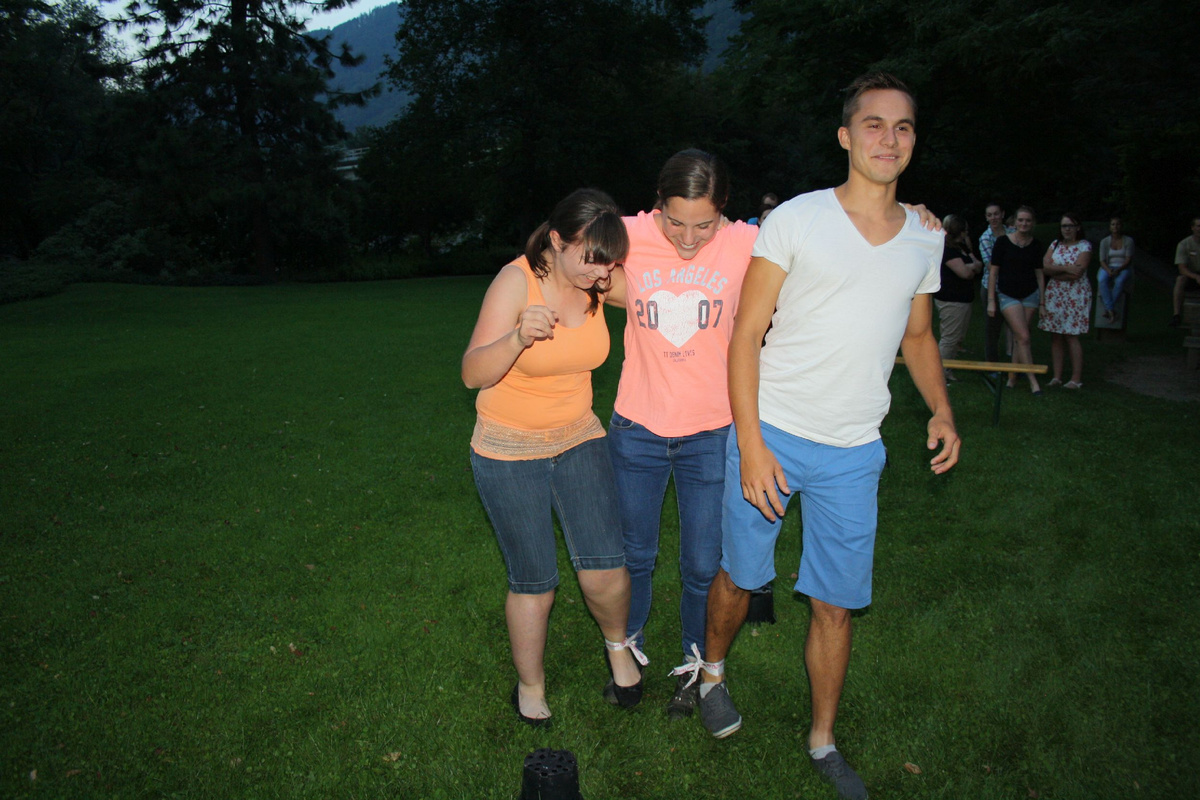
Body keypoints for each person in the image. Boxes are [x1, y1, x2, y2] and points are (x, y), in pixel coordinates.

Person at [694, 73, 960, 800]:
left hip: (854, 450)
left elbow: (917, 336)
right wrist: (751, 444)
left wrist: (940, 409)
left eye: (903, 127)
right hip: (774, 430)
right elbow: (745, 334)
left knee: (836, 603)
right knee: (741, 576)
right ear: (845, 136)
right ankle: (711, 673)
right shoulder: (797, 219)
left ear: (914, 141)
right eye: (873, 124)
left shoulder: (924, 237)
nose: (888, 139)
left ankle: (823, 739)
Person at [462, 188, 645, 729]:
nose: (603, 274)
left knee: (606, 569)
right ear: (558, 240)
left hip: (578, 437)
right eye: (592, 260)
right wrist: (517, 337)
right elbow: (472, 373)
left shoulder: (598, 280)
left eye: (610, 262)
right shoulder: (516, 281)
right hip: (508, 447)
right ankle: (531, 684)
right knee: (535, 581)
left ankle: (618, 648)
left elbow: (664, 290)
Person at [603, 150, 759, 720]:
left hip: (713, 431)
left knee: (701, 562)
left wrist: (906, 212)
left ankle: (697, 662)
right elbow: (557, 244)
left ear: (725, 211)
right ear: (656, 207)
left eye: (704, 225)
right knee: (634, 554)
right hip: (637, 427)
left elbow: (828, 237)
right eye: (675, 222)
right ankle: (628, 650)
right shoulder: (628, 234)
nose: (689, 239)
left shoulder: (747, 242)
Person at [987, 206, 1045, 394]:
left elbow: (1040, 274)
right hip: (1007, 294)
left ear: (1032, 223)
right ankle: (1033, 381)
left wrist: (1042, 302)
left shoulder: (1036, 245)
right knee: (1024, 337)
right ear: (1015, 222)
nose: (1024, 224)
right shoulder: (1003, 242)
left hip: (1030, 294)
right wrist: (991, 300)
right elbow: (993, 273)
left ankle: (1012, 377)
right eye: (1021, 220)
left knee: (1020, 338)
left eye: (1028, 220)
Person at [1038, 212, 1092, 388]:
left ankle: (1076, 379)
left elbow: (1077, 273)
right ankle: (1057, 377)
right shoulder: (1055, 244)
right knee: (1056, 335)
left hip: (1075, 294)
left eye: (1070, 225)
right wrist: (1067, 268)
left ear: (1078, 227)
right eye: (1064, 226)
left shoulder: (1084, 246)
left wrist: (1056, 271)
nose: (1067, 229)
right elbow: (1044, 267)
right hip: (1055, 294)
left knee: (1071, 335)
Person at [934, 214, 982, 382]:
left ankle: (947, 371)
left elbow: (978, 265)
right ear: (959, 231)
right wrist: (971, 267)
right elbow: (965, 273)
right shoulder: (947, 250)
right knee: (949, 338)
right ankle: (938, 376)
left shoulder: (962, 247)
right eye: (965, 231)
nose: (967, 234)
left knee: (956, 338)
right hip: (951, 300)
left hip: (964, 299)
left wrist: (970, 266)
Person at [978, 203, 1014, 363]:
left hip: (1012, 286)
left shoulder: (1012, 233)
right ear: (986, 218)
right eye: (990, 215)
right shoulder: (985, 238)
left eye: (996, 214)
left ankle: (1015, 361)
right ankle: (991, 363)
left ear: (1002, 214)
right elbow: (990, 266)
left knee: (1015, 326)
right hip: (992, 287)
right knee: (992, 327)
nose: (993, 218)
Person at [1097, 216, 1134, 323]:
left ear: (1121, 226)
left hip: (1123, 267)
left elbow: (1128, 259)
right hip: (1108, 266)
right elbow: (1102, 260)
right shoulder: (1104, 241)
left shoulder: (1128, 241)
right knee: (1102, 280)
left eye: (1118, 224)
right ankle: (1111, 310)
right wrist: (1108, 270)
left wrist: (1119, 269)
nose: (1115, 226)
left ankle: (1108, 309)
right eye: (1113, 224)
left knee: (1119, 281)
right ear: (1110, 227)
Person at [1169, 217, 1200, 327]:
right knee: (1180, 279)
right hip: (1191, 275)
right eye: (1198, 226)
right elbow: (1182, 268)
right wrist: (1195, 276)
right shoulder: (1184, 244)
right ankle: (1176, 315)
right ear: (1192, 228)